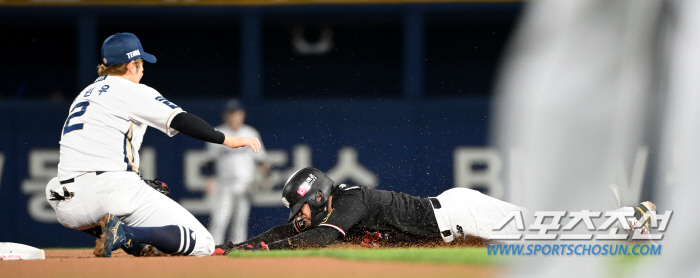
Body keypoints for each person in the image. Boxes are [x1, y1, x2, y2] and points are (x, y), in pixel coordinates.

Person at [45, 32, 261, 257]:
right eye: (140, 64)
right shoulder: (130, 90)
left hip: (68, 204)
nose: (143, 69)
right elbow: (181, 119)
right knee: (204, 243)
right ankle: (127, 234)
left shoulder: (84, 95)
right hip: (112, 192)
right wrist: (228, 139)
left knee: (52, 185)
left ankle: (133, 244)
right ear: (131, 65)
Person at [215, 167, 658, 253]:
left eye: (300, 206)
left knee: (542, 232)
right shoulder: (339, 204)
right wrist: (238, 247)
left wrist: (262, 252)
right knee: (538, 225)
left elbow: (319, 239)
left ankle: (632, 221)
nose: (297, 216)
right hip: (455, 218)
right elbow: (285, 232)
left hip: (462, 216)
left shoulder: (348, 202)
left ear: (316, 196)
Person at [205, 99, 269, 244]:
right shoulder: (216, 133)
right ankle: (213, 249)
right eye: (231, 113)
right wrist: (209, 180)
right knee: (219, 220)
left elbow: (261, 160)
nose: (234, 117)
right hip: (224, 185)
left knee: (240, 223)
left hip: (245, 184)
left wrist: (266, 176)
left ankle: (238, 251)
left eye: (237, 113)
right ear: (225, 116)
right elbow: (210, 161)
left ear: (242, 115)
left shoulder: (250, 133)